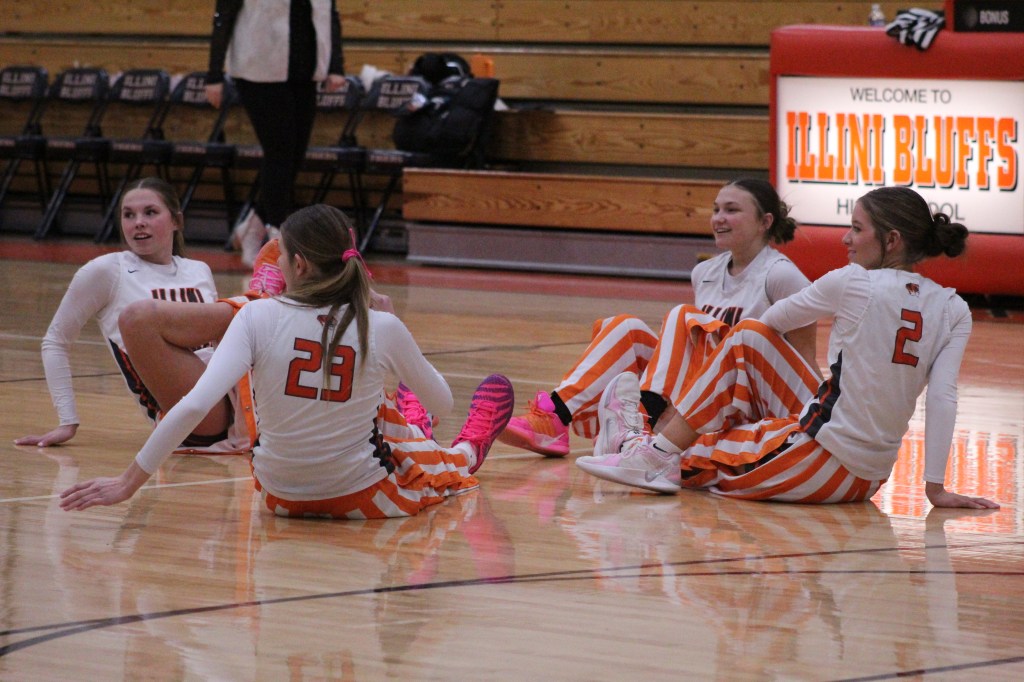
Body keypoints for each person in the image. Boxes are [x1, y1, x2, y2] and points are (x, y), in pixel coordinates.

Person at [59, 204, 516, 519]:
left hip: (278, 498)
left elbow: (194, 405)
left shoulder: (254, 315)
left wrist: (127, 483)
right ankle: (466, 449)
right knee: (432, 464)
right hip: (363, 497)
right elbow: (445, 401)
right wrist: (396, 334)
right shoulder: (382, 325)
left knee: (364, 412)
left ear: (297, 266)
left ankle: (412, 423)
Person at [577, 187, 1000, 510]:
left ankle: (648, 452)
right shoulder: (953, 307)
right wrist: (935, 489)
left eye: (856, 229)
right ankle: (647, 444)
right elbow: (943, 398)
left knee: (731, 365)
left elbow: (768, 324)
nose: (846, 239)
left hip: (815, 463)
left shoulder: (853, 281)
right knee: (747, 343)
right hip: (869, 477)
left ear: (891, 240)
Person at [499, 178, 819, 457]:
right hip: (700, 395)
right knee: (625, 327)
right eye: (716, 209)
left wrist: (819, 419)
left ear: (765, 222)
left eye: (732, 210)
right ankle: (555, 418)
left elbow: (803, 361)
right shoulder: (705, 272)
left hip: (749, 400)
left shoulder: (781, 276)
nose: (719, 218)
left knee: (682, 315)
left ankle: (644, 420)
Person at [15, 177, 250, 453]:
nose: (138, 222)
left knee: (250, 313)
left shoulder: (198, 270)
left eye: (150, 212)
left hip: (237, 393)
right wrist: (67, 421)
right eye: (129, 215)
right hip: (192, 415)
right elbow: (55, 341)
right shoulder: (107, 270)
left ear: (176, 221)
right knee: (141, 317)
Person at [206, 0, 346, 265]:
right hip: (258, 70)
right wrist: (214, 74)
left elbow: (330, 16)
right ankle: (275, 235)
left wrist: (336, 65)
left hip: (304, 71)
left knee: (294, 156)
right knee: (279, 152)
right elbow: (223, 16)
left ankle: (252, 227)